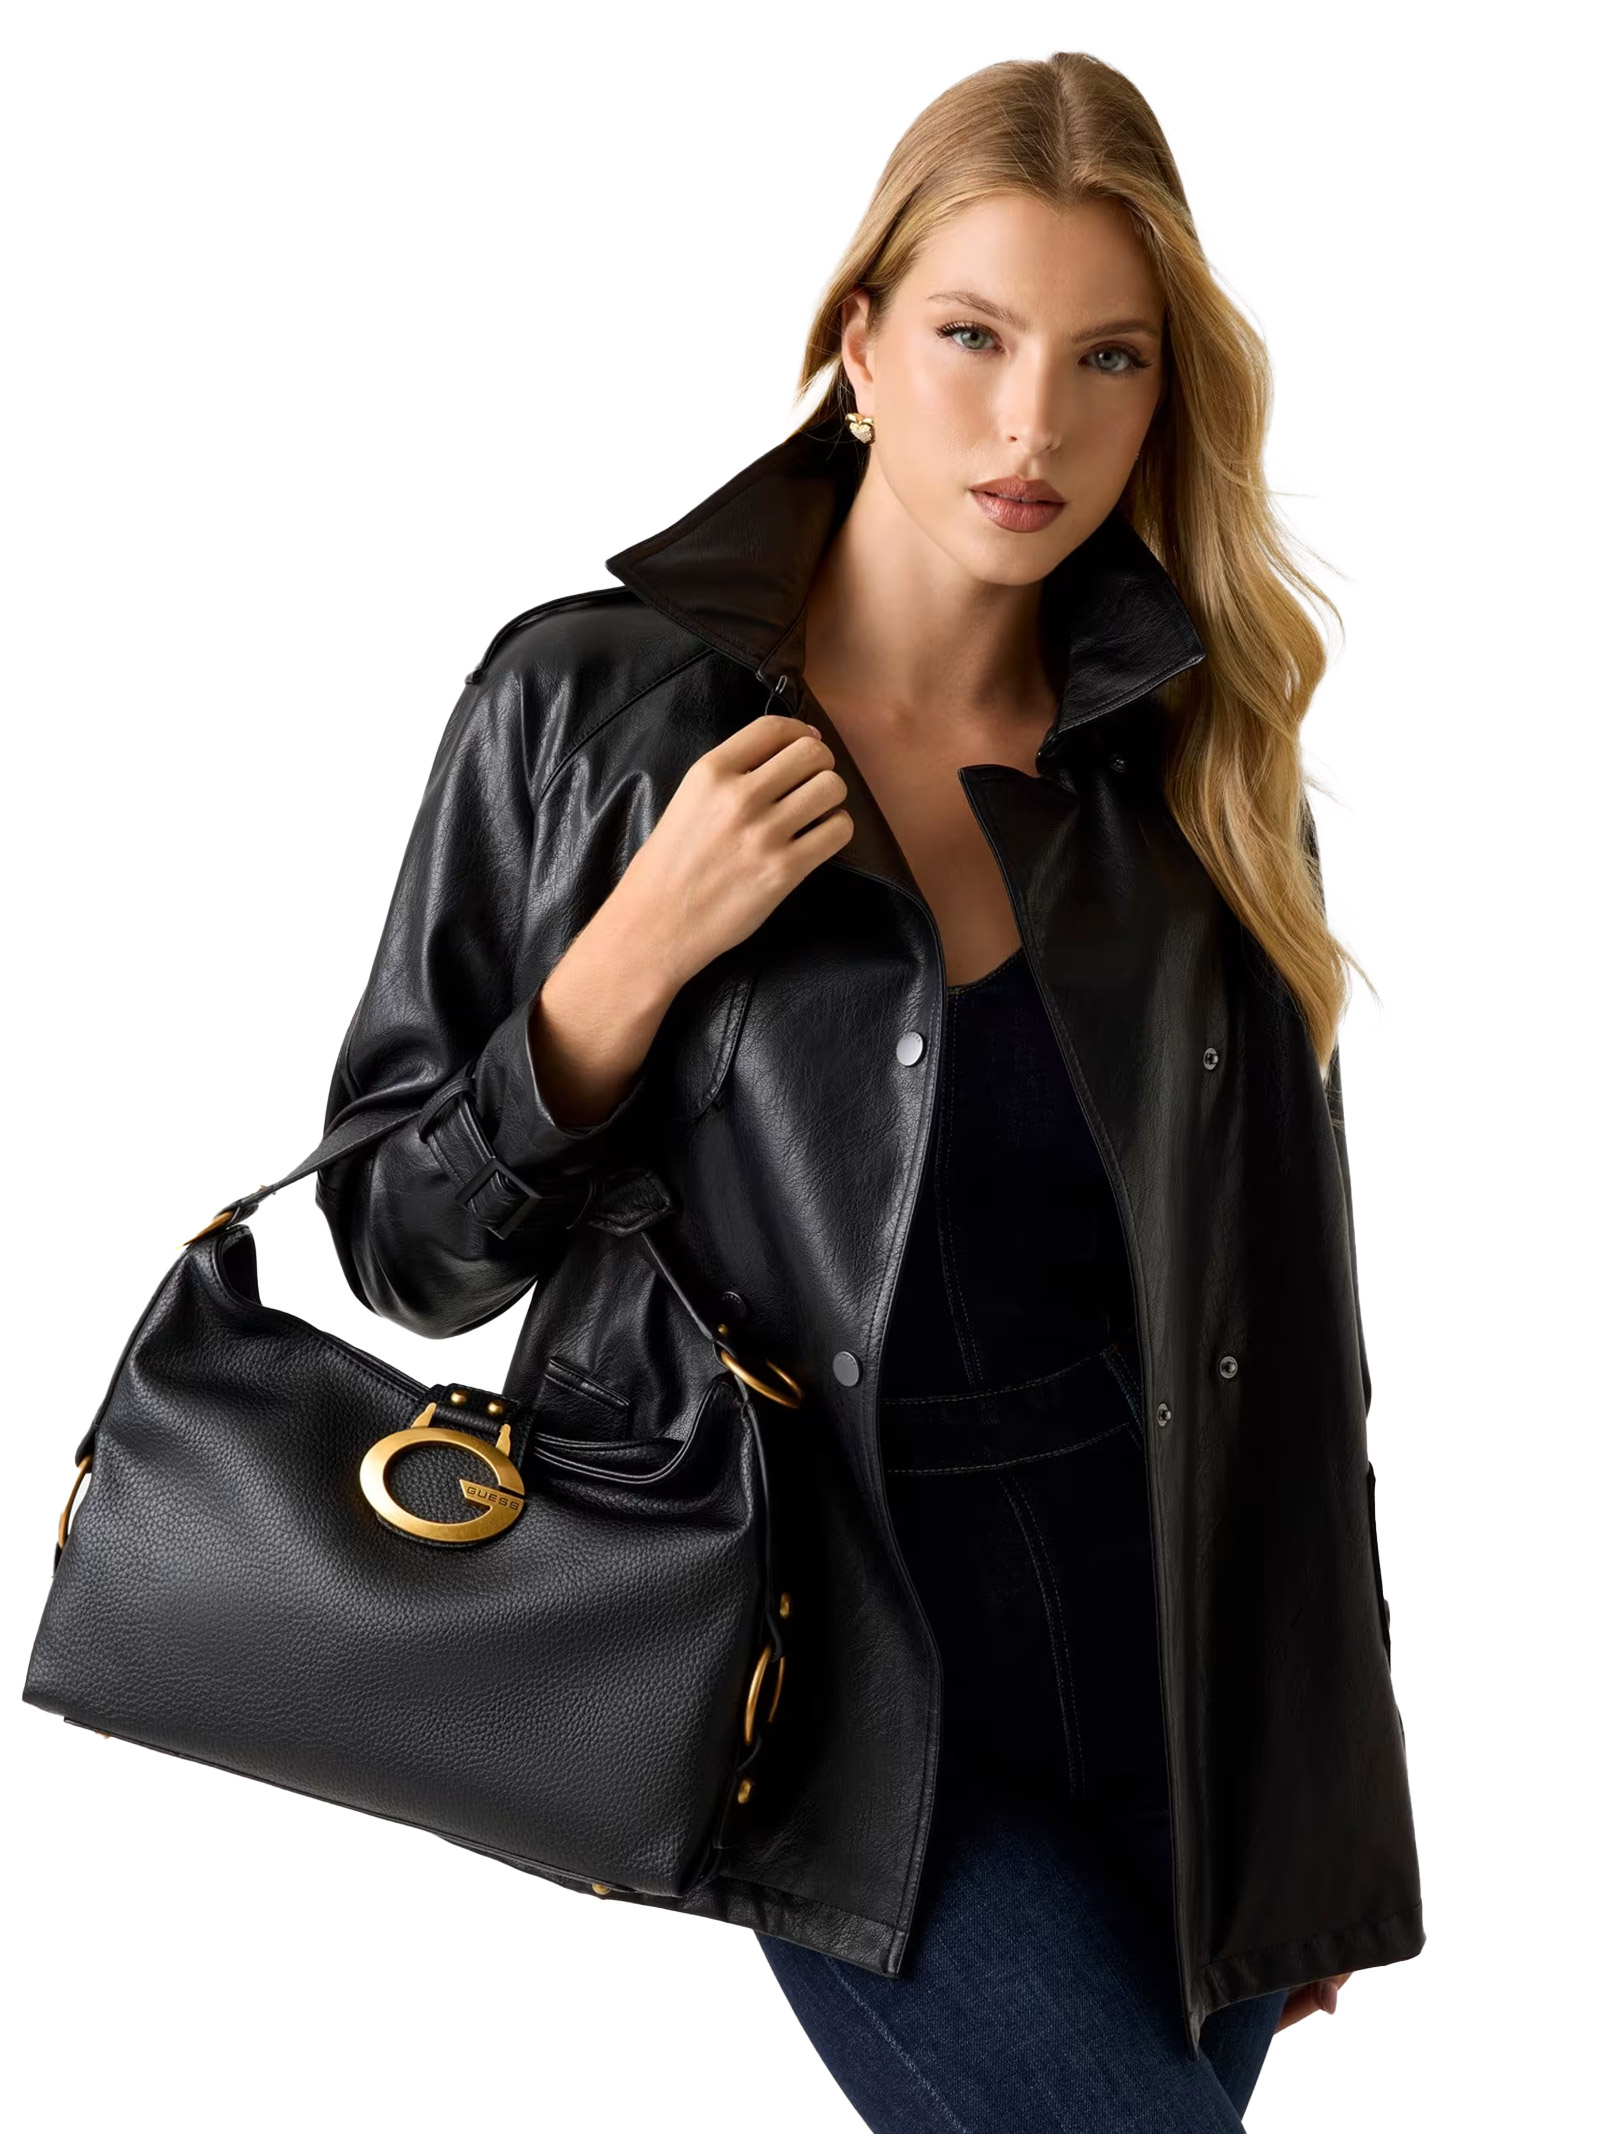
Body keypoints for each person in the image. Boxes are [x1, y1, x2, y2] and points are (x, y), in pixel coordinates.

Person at [317, 48, 1421, 2131]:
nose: (1032, 425)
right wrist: (629, 956)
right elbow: (400, 1243)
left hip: (1168, 1666)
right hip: (833, 1681)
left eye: (1105, 358)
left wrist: (1319, 1779)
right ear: (856, 345)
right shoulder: (590, 705)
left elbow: (1286, 1321)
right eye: (972, 336)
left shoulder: (1192, 765)